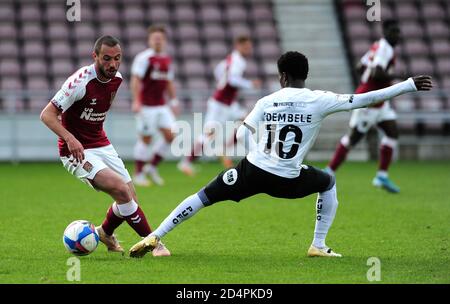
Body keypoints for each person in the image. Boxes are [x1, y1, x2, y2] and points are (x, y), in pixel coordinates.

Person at [128, 51, 432, 258]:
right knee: (326, 182)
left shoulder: (267, 100)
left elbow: (244, 132)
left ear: (282, 76)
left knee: (202, 197)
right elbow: (362, 100)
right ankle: (318, 245)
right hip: (288, 179)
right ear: (304, 75)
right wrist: (406, 85)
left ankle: (154, 235)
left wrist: (253, 156)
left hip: (252, 170)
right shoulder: (319, 100)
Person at [40, 35, 170, 256]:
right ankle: (153, 243)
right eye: (107, 58)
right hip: (74, 150)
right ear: (95, 57)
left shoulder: (117, 78)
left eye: (117, 58)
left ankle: (105, 233)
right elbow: (47, 115)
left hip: (100, 143)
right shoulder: (80, 81)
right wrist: (70, 138)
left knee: (130, 197)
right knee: (120, 190)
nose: (112, 64)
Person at [325, 20, 405, 193]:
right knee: (353, 139)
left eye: (398, 31)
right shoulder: (385, 48)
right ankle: (328, 171)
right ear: (386, 32)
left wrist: (368, 80)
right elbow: (376, 72)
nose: (397, 35)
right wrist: (397, 76)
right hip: (369, 102)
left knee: (392, 133)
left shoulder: (377, 45)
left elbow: (360, 66)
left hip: (380, 102)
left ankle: (381, 176)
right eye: (394, 31)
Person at [177, 35, 261, 176]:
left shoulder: (231, 58)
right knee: (208, 134)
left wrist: (222, 84)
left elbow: (219, 71)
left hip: (228, 103)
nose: (249, 49)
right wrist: (250, 84)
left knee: (247, 121)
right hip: (220, 104)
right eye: (246, 47)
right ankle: (185, 162)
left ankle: (224, 151)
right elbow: (232, 80)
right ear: (238, 46)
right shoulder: (238, 61)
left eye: (249, 47)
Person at [131, 25, 180, 186]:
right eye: (155, 38)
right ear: (150, 40)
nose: (157, 41)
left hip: (161, 106)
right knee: (146, 139)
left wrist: (173, 101)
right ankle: (138, 174)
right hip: (146, 106)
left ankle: (151, 167)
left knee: (171, 135)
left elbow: (169, 82)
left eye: (160, 38)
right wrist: (136, 100)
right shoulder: (144, 58)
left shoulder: (166, 59)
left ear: (164, 41)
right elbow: (136, 80)